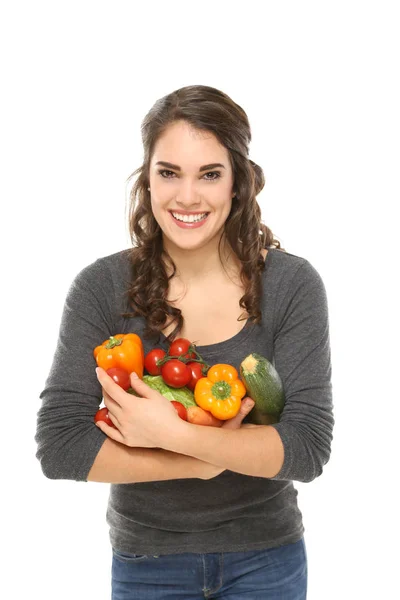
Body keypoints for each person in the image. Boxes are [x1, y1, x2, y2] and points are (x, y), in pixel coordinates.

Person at [35, 84, 334, 599]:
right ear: (146, 180)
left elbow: (307, 448)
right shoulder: (101, 287)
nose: (188, 197)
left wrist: (178, 435)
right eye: (168, 172)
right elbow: (60, 446)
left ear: (238, 183)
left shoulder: (291, 285)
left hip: (267, 558)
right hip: (147, 562)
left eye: (210, 174)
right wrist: (199, 463)